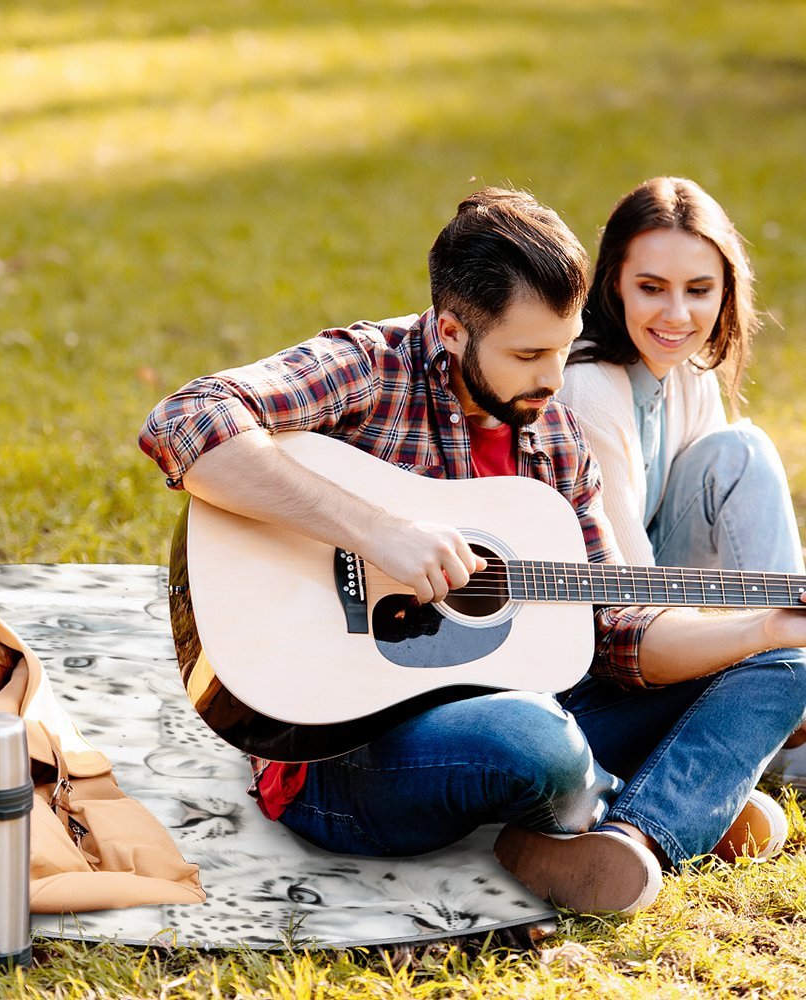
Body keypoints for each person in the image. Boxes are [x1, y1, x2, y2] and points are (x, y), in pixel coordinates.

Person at [139, 187, 806, 916]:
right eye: (528, 354)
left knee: (787, 664)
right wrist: (375, 530)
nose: (554, 380)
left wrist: (762, 628)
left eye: (563, 346)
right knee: (535, 741)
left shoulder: (554, 435)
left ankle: (636, 835)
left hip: (530, 708)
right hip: (343, 755)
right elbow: (186, 419)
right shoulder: (370, 367)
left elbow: (616, 629)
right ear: (452, 330)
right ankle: (667, 796)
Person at [559, 176, 806, 788]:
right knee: (743, 451)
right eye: (651, 288)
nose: (677, 315)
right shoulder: (589, 386)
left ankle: (785, 694)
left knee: (737, 451)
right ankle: (784, 726)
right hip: (601, 649)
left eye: (699, 290)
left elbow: (725, 545)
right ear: (613, 281)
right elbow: (630, 602)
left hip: (666, 614)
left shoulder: (688, 370)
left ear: (726, 291)